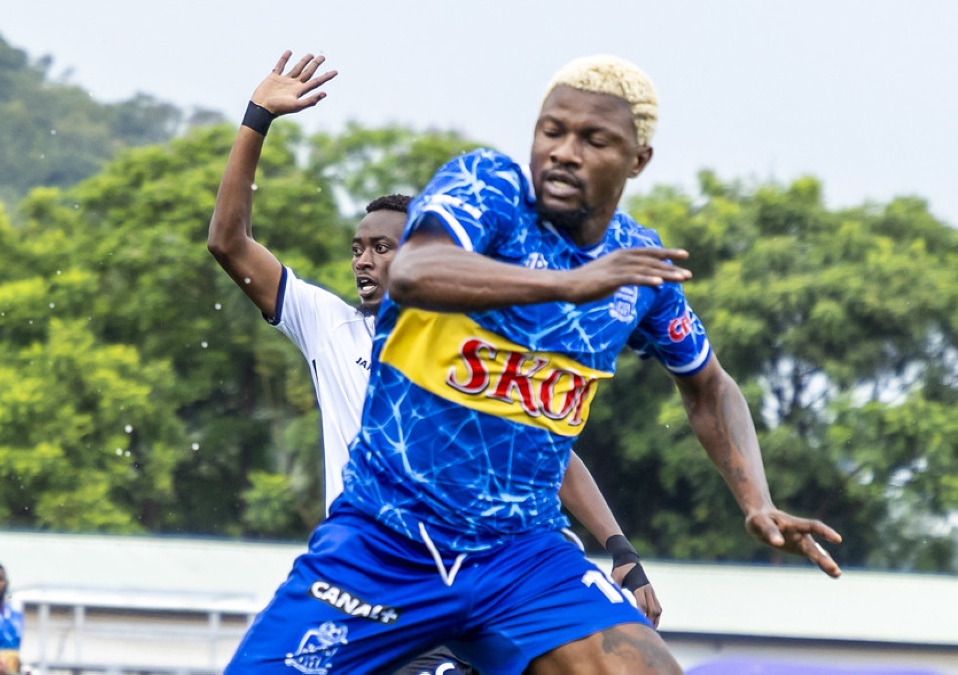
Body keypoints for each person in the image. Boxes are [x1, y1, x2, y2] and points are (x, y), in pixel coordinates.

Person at [209, 52, 662, 675]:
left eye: (382, 248)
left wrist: (620, 549)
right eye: (357, 249)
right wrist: (256, 119)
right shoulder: (328, 324)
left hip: (493, 576)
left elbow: (547, 449)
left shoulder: (481, 334)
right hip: (377, 570)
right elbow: (228, 243)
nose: (363, 262)